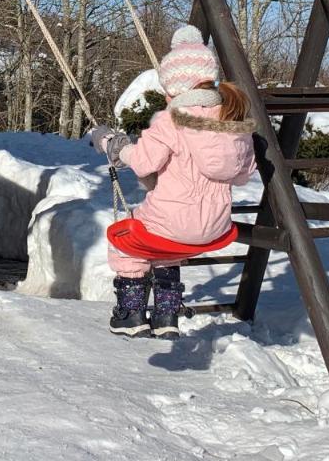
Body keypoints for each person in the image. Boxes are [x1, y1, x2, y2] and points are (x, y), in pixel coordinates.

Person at [89, 25, 258, 338]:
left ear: (174, 87)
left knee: (126, 243)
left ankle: (131, 314)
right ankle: (167, 315)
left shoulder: (172, 120)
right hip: (217, 226)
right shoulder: (232, 119)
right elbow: (245, 172)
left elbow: (143, 161)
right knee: (167, 245)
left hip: (173, 220)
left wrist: (114, 145)